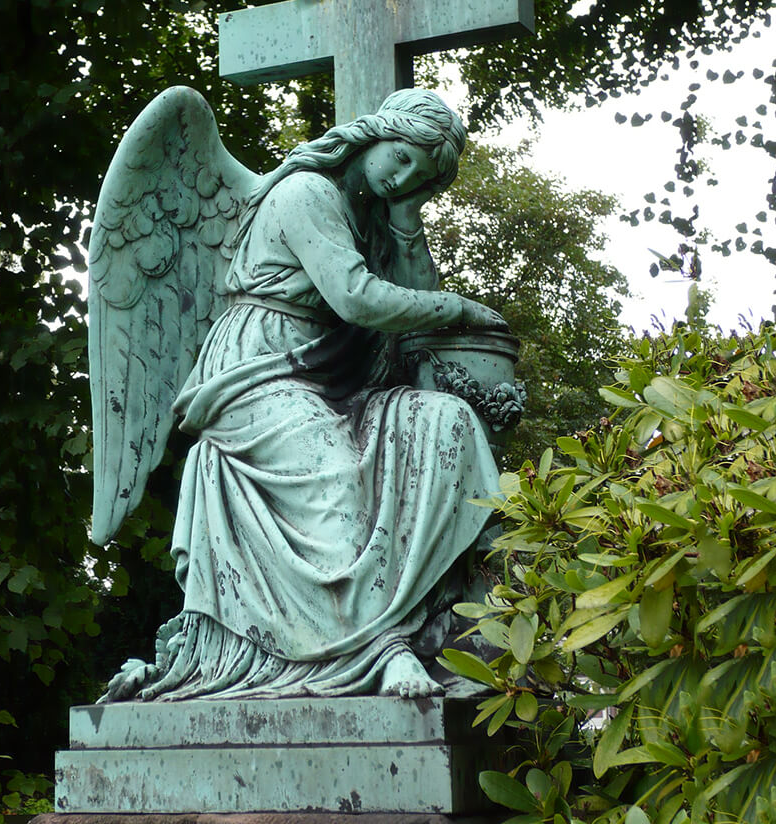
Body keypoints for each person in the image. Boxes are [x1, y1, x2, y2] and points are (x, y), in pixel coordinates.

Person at [104, 88, 504, 702]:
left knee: (444, 422)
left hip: (334, 379)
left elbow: (412, 311)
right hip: (259, 373)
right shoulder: (307, 193)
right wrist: (458, 308)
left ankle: (469, 624)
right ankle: (382, 648)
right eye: (400, 159)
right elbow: (359, 300)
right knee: (337, 472)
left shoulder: (373, 217)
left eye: (418, 178)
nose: (400, 178)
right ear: (377, 133)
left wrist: (407, 222)